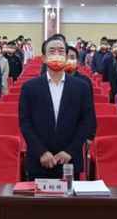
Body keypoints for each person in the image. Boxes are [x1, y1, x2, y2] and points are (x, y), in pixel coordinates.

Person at [19, 35, 95, 180]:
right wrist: (41, 151)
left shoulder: (81, 87)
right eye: (52, 51)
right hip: (39, 161)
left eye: (60, 51)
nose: (56, 54)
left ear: (66, 57)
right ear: (44, 58)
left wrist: (70, 151)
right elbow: (25, 122)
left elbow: (87, 121)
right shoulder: (29, 87)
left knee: (69, 195)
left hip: (69, 161)